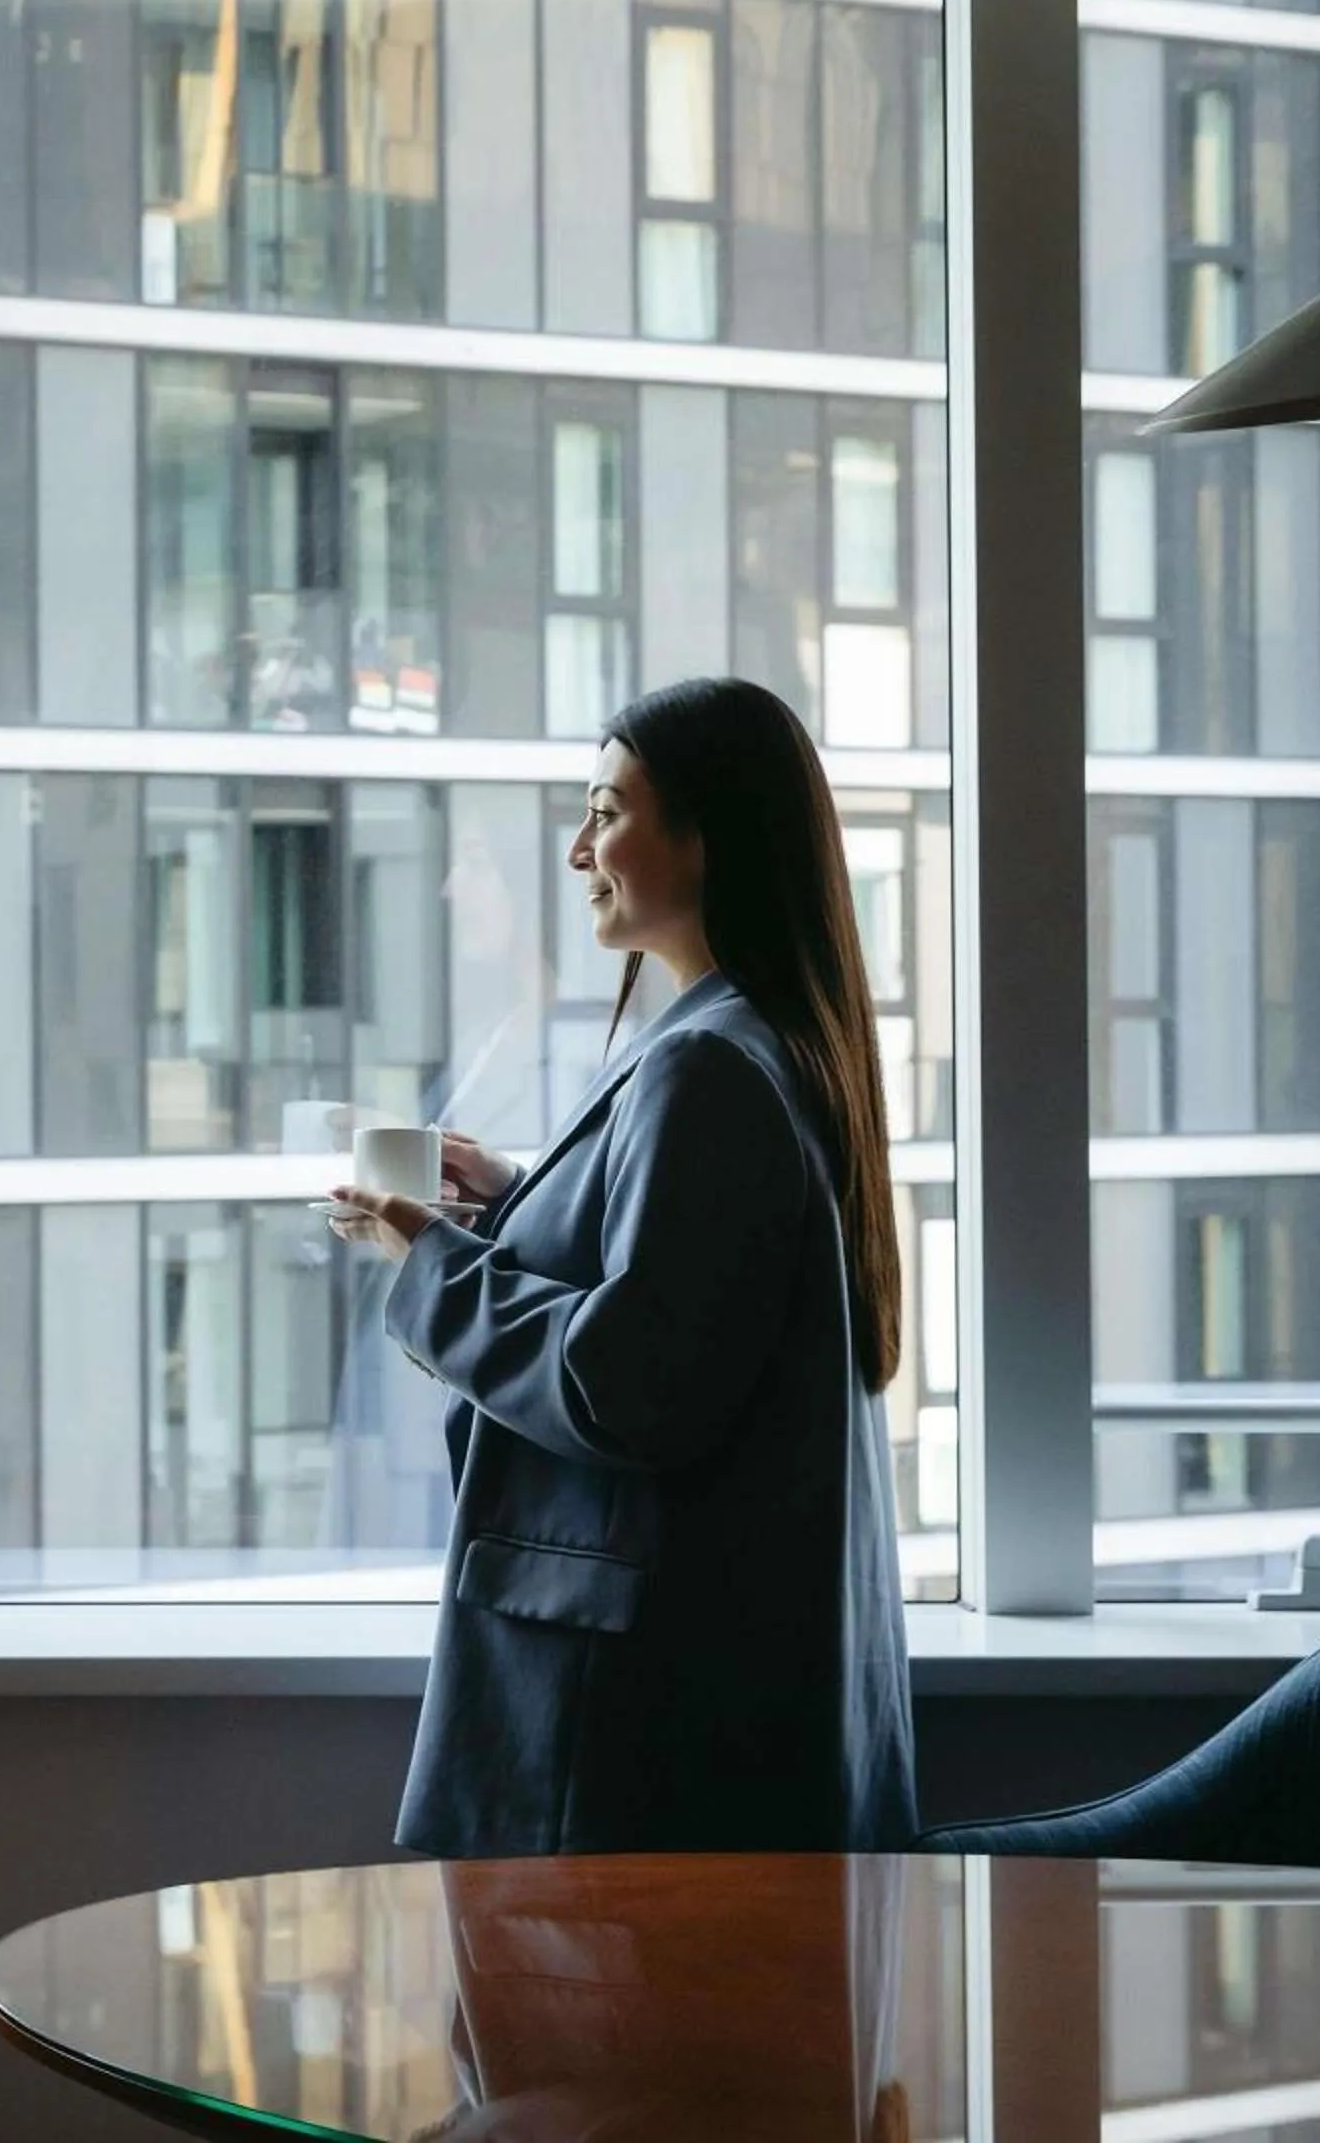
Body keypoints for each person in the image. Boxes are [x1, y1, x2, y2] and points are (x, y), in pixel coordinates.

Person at [331, 676, 915, 1857]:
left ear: (706, 839)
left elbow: (627, 1383)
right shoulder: (757, 1041)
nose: (577, 850)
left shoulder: (706, 1069)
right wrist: (515, 1199)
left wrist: (427, 1256)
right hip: (687, 1700)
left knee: (584, 2038)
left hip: (624, 1721)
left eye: (606, 811)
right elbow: (672, 1293)